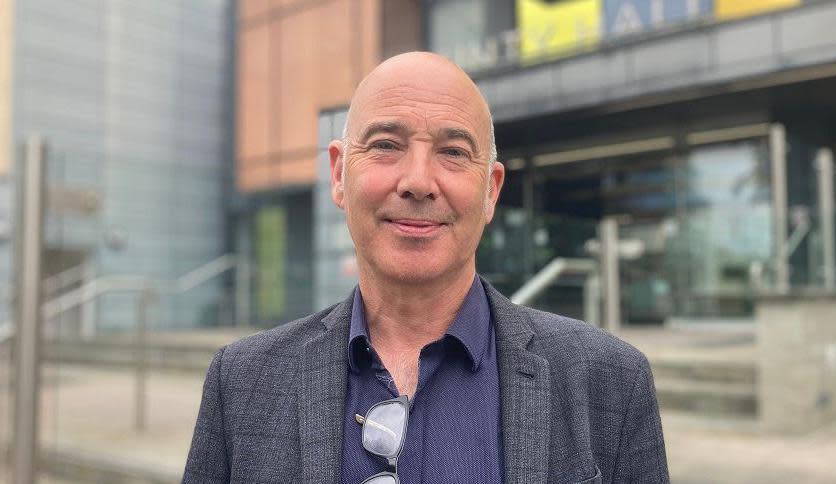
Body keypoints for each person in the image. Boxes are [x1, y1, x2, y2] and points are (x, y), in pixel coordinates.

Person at [183, 51, 668, 484]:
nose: (417, 182)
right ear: (338, 175)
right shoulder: (242, 383)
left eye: (453, 152)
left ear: (491, 191)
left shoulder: (610, 381)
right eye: (386, 145)